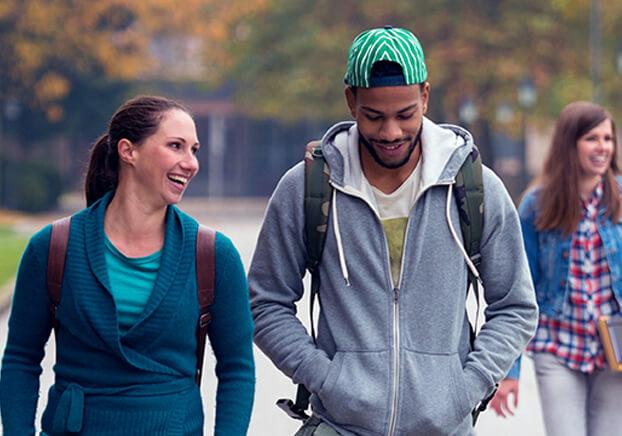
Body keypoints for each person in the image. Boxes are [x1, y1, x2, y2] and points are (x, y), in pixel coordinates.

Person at [248, 26, 538, 436]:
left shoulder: (474, 188)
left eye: (405, 114)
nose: (390, 132)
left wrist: (465, 387)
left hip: (445, 426)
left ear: (424, 96)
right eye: (374, 116)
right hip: (340, 425)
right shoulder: (306, 188)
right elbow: (265, 303)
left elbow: (516, 306)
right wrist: (325, 378)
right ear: (351, 100)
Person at [0, 95, 255, 435]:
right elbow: (21, 358)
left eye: (194, 150)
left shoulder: (212, 254)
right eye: (176, 146)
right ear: (128, 150)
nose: (191, 163)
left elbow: (237, 369)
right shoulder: (53, 248)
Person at [490, 101, 622, 436]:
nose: (603, 147)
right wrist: (510, 370)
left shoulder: (620, 199)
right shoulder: (538, 205)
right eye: (592, 138)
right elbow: (519, 289)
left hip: (615, 353)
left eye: (608, 139)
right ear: (570, 143)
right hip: (558, 347)